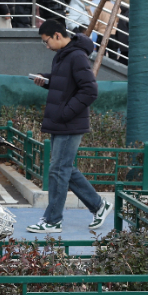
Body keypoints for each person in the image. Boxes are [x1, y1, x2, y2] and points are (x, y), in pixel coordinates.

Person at [27, 20, 111, 234]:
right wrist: (46, 80)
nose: (46, 46)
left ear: (57, 35)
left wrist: (66, 112)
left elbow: (90, 90)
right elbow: (64, 83)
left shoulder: (76, 56)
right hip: (62, 122)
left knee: (58, 169)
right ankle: (99, 205)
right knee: (63, 168)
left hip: (69, 122)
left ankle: (53, 220)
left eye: (46, 41)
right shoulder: (63, 55)